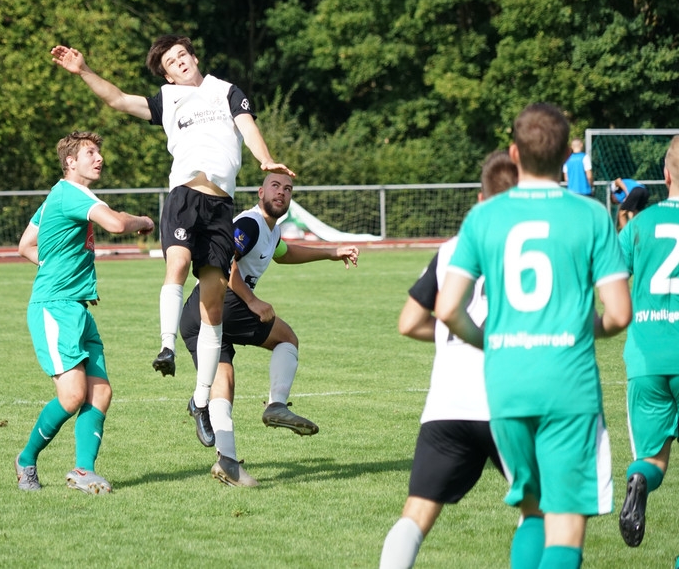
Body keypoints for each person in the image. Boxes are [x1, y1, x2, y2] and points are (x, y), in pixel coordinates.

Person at [50, 37, 294, 447]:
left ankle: (200, 400)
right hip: (184, 196)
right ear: (167, 73)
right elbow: (119, 100)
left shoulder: (226, 91)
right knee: (177, 263)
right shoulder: (167, 99)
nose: (179, 62)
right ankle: (166, 347)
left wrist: (265, 159)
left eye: (183, 55)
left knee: (212, 303)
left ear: (194, 58)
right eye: (171, 61)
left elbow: (248, 127)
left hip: (220, 207)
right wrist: (85, 71)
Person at [436, 103, 632, 569]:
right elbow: (620, 314)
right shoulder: (590, 216)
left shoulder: (484, 218)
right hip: (568, 382)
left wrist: (488, 340)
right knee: (566, 520)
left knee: (532, 511)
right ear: (567, 155)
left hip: (506, 382)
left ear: (514, 152)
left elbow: (447, 309)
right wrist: (589, 328)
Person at [379, 151, 517, 569]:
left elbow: (408, 322)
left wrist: (454, 337)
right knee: (543, 514)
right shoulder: (532, 244)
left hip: (447, 404)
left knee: (416, 514)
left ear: (479, 198)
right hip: (509, 401)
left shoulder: (453, 247)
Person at [178, 173, 358, 485]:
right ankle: (276, 405)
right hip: (224, 303)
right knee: (286, 338)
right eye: (275, 186)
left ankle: (227, 461)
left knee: (224, 382)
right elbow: (224, 263)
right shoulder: (250, 223)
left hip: (197, 314)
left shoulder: (270, 231)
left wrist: (332, 252)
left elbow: (285, 253)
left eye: (288, 189)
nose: (282, 193)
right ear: (261, 192)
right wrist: (252, 300)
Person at [14, 131, 155, 494]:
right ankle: (26, 459)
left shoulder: (57, 197)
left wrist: (54, 269)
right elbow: (116, 225)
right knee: (73, 395)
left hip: (77, 308)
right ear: (70, 162)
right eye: (90, 153)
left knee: (100, 392)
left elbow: (25, 245)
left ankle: (82, 470)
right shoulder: (72, 193)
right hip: (54, 308)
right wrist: (142, 220)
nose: (99, 158)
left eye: (98, 152)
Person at [616, 135, 679, 548]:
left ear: (667, 173)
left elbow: (609, 277)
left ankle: (638, 480)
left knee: (653, 458)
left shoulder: (640, 224)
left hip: (647, 358)